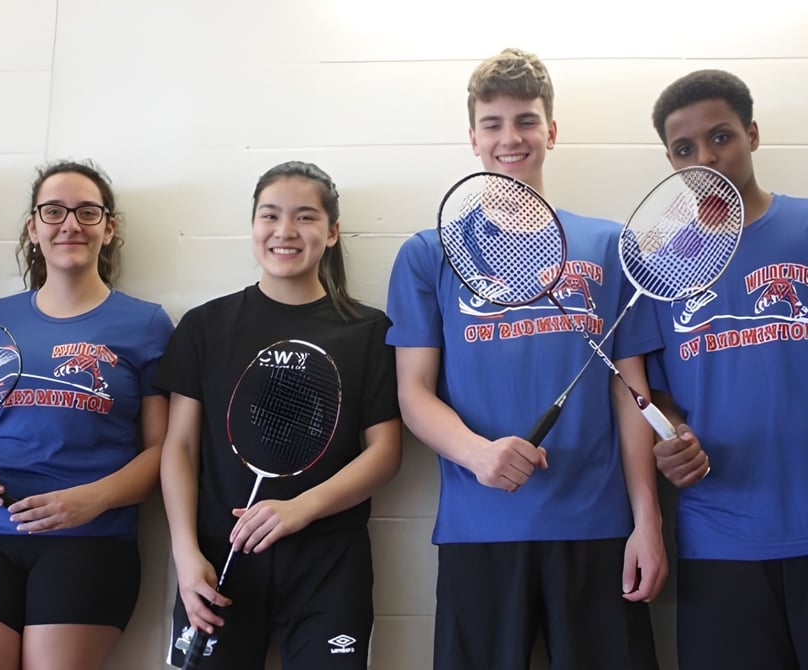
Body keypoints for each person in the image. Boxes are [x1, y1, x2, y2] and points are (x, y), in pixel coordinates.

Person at [386, 48, 666, 669]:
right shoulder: (426, 254)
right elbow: (414, 391)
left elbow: (631, 392)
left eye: (525, 120)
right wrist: (478, 453)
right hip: (479, 530)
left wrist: (647, 522)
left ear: (551, 130)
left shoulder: (608, 244)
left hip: (597, 530)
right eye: (493, 123)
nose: (510, 138)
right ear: (472, 137)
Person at [159, 160, 402, 669]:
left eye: (305, 217)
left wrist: (301, 508)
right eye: (270, 216)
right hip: (220, 561)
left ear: (332, 232)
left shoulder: (369, 331)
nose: (285, 231)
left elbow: (385, 454)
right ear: (253, 227)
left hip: (329, 565)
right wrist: (185, 555)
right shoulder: (204, 327)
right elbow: (178, 449)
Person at [0, 160, 173, 670]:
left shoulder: (147, 324)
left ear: (109, 229)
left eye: (88, 212)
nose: (70, 224)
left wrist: (91, 500)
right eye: (54, 211)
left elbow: (163, 452)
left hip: (90, 541)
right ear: (33, 226)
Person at [646, 69, 808, 669]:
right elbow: (657, 395)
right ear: (670, 160)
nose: (706, 159)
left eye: (721, 137)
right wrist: (672, 438)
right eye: (685, 149)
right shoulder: (656, 266)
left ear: (753, 134)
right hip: (722, 536)